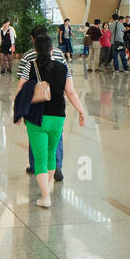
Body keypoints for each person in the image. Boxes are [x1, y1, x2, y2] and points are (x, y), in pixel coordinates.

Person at [14, 30, 85, 208]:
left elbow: (20, 87)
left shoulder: (31, 65)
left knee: (40, 158)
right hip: (58, 117)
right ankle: (49, 186)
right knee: (51, 155)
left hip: (36, 117)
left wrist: (18, 111)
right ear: (52, 50)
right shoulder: (63, 67)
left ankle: (45, 196)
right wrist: (81, 111)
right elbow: (70, 92)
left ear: (36, 50)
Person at [19, 27, 68, 181]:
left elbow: (22, 83)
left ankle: (36, 166)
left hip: (36, 105)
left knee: (36, 136)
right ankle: (56, 165)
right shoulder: (59, 53)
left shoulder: (28, 56)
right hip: (57, 105)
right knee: (56, 136)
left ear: (33, 40)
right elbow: (67, 77)